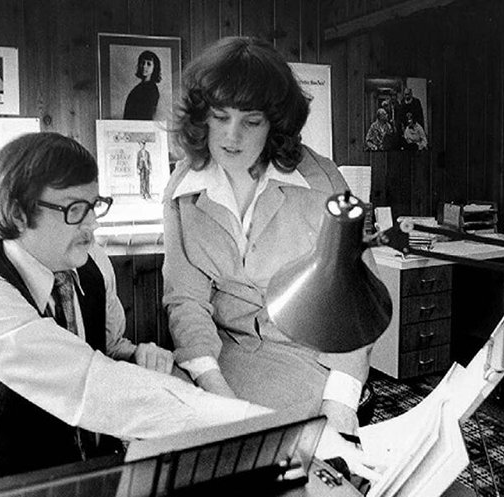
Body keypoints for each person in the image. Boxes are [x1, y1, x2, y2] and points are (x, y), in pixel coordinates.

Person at [0, 132, 276, 489]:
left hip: (82, 473)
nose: (92, 224)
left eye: (94, 205)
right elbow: (92, 384)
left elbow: (104, 348)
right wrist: (258, 427)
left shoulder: (93, 263)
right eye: (75, 209)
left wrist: (138, 355)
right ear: (18, 213)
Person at [163, 37, 380, 441]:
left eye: (252, 121)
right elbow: (185, 299)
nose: (231, 136)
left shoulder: (323, 182)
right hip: (223, 354)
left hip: (308, 357)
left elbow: (356, 306)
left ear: (275, 124)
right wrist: (217, 392)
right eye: (219, 116)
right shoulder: (181, 189)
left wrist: (340, 406)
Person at [123, 50, 161, 120]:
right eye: (142, 63)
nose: (144, 66)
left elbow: (147, 115)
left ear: (154, 68)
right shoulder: (137, 88)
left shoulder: (152, 89)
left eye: (148, 64)